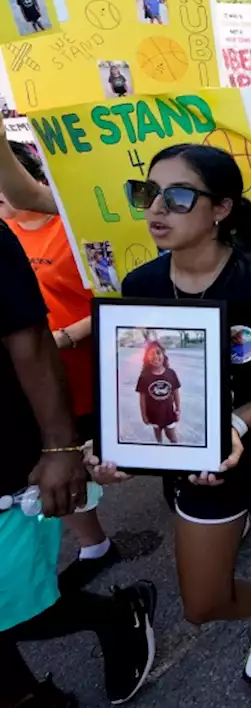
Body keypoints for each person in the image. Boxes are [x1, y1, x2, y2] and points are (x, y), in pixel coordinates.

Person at [105, 143, 251, 707]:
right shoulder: (142, 285)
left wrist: (233, 424)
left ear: (222, 209)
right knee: (202, 603)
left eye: (178, 196)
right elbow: (140, 378)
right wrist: (116, 445)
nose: (157, 208)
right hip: (197, 470)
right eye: (147, 193)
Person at [0, 221, 157, 708]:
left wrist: (60, 447)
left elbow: (29, 336)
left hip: (7, 464)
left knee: (18, 610)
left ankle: (116, 614)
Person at [0, 142, 118, 590]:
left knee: (123, 452)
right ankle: (94, 545)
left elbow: (114, 293)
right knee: (64, 462)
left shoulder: (75, 229)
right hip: (44, 381)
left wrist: (67, 336)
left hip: (95, 366)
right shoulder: (6, 234)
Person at [136, 343, 181, 444]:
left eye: (158, 353)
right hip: (153, 415)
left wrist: (178, 409)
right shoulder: (144, 377)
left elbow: (176, 392)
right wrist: (143, 415)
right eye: (151, 354)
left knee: (173, 438)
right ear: (147, 358)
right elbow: (142, 398)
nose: (155, 356)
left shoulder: (171, 373)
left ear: (164, 356)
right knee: (158, 438)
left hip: (169, 414)